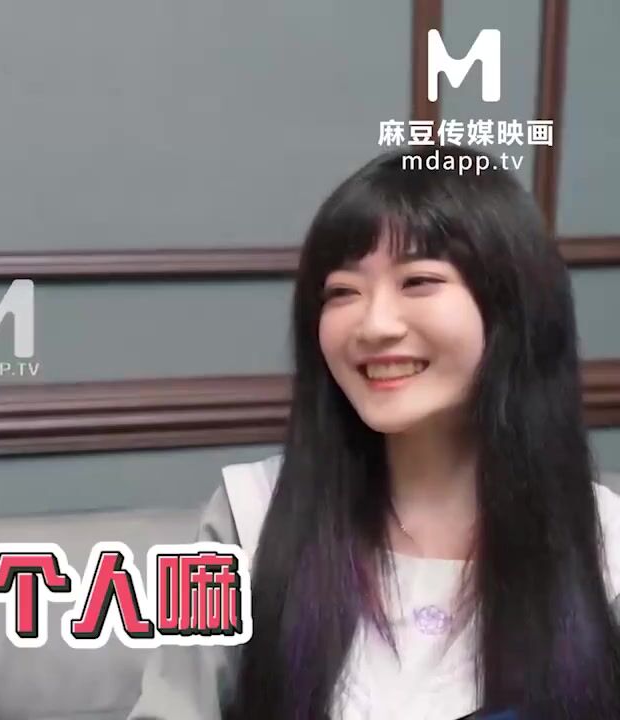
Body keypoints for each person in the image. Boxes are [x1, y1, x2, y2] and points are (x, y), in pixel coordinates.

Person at [129, 145, 620, 719]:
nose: (374, 325)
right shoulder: (243, 517)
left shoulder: (605, 543)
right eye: (342, 291)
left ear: (514, 309)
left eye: (418, 281)